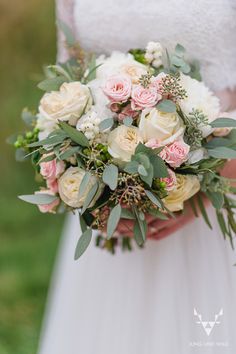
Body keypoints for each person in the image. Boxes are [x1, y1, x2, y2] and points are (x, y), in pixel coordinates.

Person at [38, 1, 236, 353]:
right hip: (109, 209)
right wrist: (83, 171)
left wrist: (202, 186)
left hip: (217, 203)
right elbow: (69, 69)